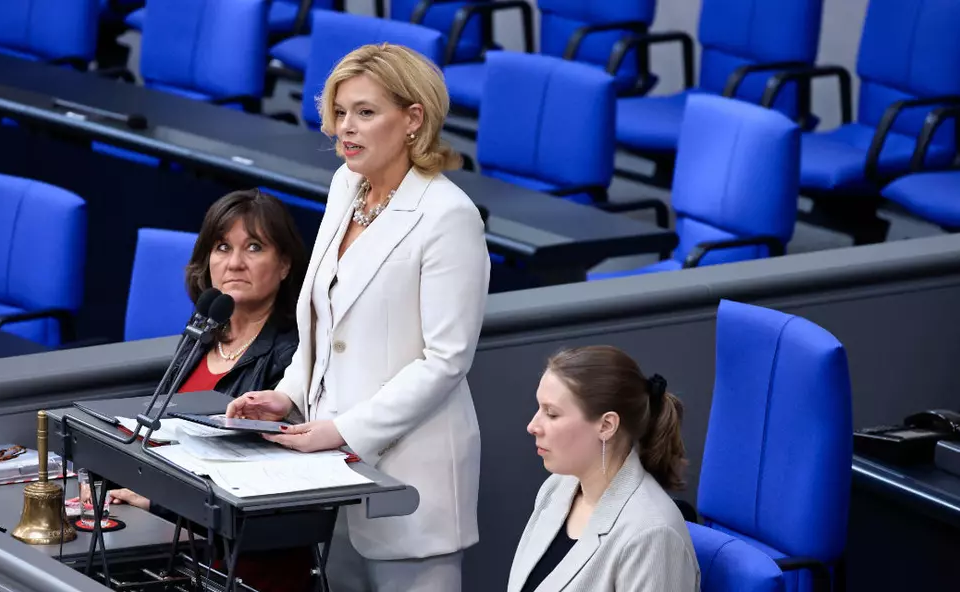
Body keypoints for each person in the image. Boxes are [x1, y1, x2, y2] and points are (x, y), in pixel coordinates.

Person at [226, 43, 490, 591]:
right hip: (332, 476)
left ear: (413, 118)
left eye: (365, 113)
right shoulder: (346, 186)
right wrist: (290, 393)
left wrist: (343, 431)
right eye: (341, 113)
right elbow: (323, 319)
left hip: (410, 484)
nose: (346, 128)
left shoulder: (449, 217)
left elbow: (445, 362)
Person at [83, 188, 313, 591]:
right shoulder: (203, 331)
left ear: (284, 265)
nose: (235, 263)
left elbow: (265, 485)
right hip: (176, 543)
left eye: (254, 247)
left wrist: (157, 502)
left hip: (242, 565)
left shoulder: (293, 355)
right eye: (222, 247)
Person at [508, 346, 700, 592]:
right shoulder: (557, 488)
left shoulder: (653, 535)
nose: (533, 426)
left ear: (607, 425)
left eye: (551, 414)